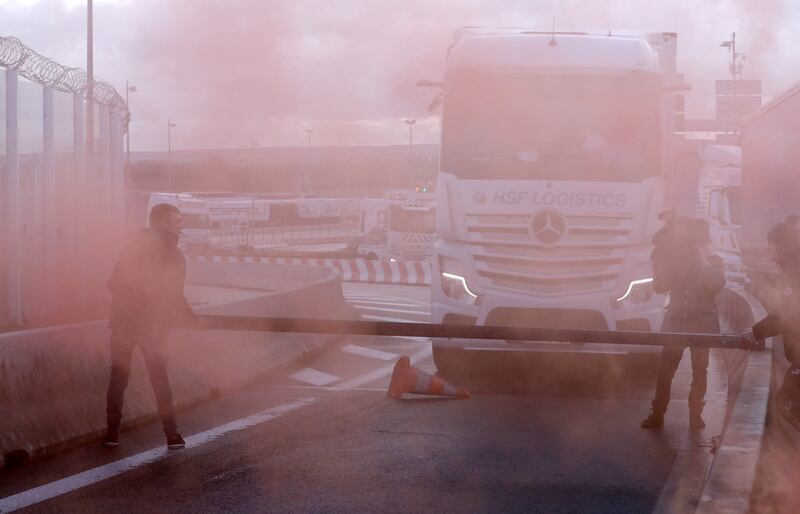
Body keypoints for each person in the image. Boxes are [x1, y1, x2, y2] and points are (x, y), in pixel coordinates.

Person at [103, 203, 207, 449]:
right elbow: (175, 295)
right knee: (159, 379)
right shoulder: (173, 254)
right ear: (163, 223)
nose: (181, 227)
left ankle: (111, 434)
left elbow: (112, 283)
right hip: (153, 326)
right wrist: (193, 321)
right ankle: (172, 435)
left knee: (118, 376)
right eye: (178, 221)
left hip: (123, 321)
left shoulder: (131, 246)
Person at [641, 215, 726, 429]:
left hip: (701, 323)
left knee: (700, 370)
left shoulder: (711, 260)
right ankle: (658, 413)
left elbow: (717, 283)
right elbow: (660, 287)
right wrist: (659, 267)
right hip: (678, 321)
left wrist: (703, 262)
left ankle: (695, 415)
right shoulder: (674, 259)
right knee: (666, 370)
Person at [742, 215, 800, 427]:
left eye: (772, 246)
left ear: (783, 245)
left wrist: (756, 331)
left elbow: (789, 312)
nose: (769, 252)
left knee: (786, 403)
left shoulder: (794, 269)